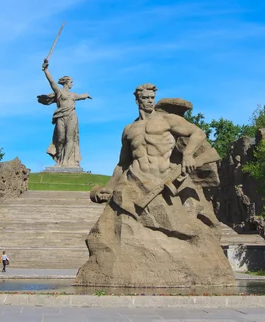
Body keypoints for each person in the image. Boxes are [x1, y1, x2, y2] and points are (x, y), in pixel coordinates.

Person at [75, 84, 234, 287]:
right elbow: (122, 164)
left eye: (152, 97)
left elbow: (198, 133)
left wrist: (187, 154)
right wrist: (109, 187)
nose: (149, 101)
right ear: (137, 100)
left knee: (188, 227)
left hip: (163, 180)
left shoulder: (167, 120)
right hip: (135, 181)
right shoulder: (129, 130)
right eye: (145, 98)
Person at [37, 59, 92, 167]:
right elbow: (52, 82)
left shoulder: (73, 95)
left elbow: (82, 96)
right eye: (71, 82)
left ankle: (66, 161)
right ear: (66, 82)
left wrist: (86, 95)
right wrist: (45, 70)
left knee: (70, 138)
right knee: (61, 138)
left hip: (72, 117)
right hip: (61, 117)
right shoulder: (60, 92)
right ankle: (59, 160)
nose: (72, 84)